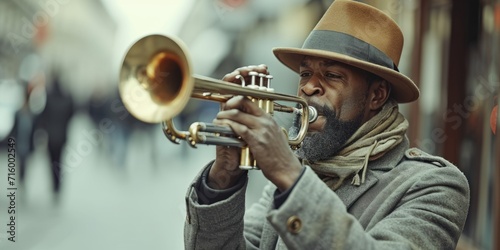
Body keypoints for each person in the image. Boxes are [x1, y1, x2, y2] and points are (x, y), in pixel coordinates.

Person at [183, 1, 470, 249]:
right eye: (305, 73)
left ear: (376, 95)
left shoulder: (433, 186)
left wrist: (288, 174)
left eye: (331, 75)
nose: (308, 87)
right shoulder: (303, 170)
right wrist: (223, 178)